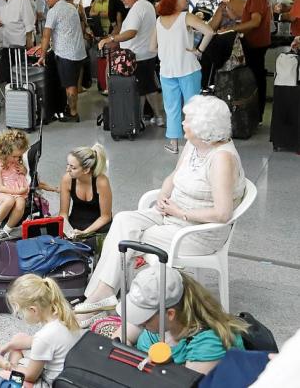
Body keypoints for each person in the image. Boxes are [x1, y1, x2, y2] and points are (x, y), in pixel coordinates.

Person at [75, 95, 247, 325]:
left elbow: (222, 213)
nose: (182, 123)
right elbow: (174, 176)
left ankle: (98, 298)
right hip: (172, 215)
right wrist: (163, 195)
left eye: (187, 120)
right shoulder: (195, 145)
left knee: (132, 237)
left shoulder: (222, 158)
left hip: (199, 231)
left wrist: (180, 213)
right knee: (123, 220)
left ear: (204, 127)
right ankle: (103, 294)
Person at [116, 266, 247, 375]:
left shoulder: (208, 344)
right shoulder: (156, 321)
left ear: (170, 314)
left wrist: (162, 368)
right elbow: (118, 341)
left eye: (144, 317)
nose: (139, 322)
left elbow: (187, 382)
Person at [152, 0, 215, 154]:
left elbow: (152, 47)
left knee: (171, 108)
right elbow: (209, 31)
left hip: (167, 71)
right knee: (192, 107)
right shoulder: (186, 17)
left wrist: (168, 49)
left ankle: (173, 144)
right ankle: (193, 144)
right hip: (188, 68)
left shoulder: (159, 20)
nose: (187, 0)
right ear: (174, 0)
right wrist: (199, 50)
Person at [0, 275, 83, 387]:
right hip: (69, 369)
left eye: (20, 313)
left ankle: (14, 375)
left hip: (50, 383)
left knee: (1, 376)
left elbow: (30, 376)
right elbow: (33, 341)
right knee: (18, 338)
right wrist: (8, 346)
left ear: (33, 310)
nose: (21, 316)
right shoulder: (61, 315)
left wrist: (5, 365)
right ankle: (16, 368)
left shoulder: (44, 337)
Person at [98, 0, 165, 127]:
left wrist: (111, 39)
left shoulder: (138, 8)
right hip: (145, 53)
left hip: (138, 55)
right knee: (147, 87)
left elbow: (131, 32)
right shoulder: (146, 5)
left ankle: (141, 119)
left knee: (142, 89)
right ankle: (151, 117)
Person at [218, 0, 271, 121]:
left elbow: (255, 21)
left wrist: (233, 28)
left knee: (255, 79)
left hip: (255, 42)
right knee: (256, 77)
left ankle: (257, 114)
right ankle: (256, 113)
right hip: (257, 41)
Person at [32, 0, 85, 122]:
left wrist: (42, 55)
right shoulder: (72, 7)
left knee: (70, 85)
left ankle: (73, 113)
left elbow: (46, 35)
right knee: (72, 82)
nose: (47, 0)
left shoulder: (54, 11)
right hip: (78, 51)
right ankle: (69, 108)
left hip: (66, 53)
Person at [59, 144, 112, 250]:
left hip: (98, 227)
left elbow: (106, 216)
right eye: (68, 165)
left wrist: (85, 233)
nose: (67, 170)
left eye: (73, 167)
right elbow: (63, 213)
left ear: (86, 170)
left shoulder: (102, 182)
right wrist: (69, 231)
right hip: (75, 225)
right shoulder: (67, 179)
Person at [0, 130, 30, 241]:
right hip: (0, 194)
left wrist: (24, 170)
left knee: (21, 203)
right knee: (9, 200)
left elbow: (23, 174)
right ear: (4, 152)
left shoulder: (16, 162)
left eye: (19, 156)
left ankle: (6, 230)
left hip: (16, 192)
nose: (17, 159)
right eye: (14, 156)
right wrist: (17, 192)